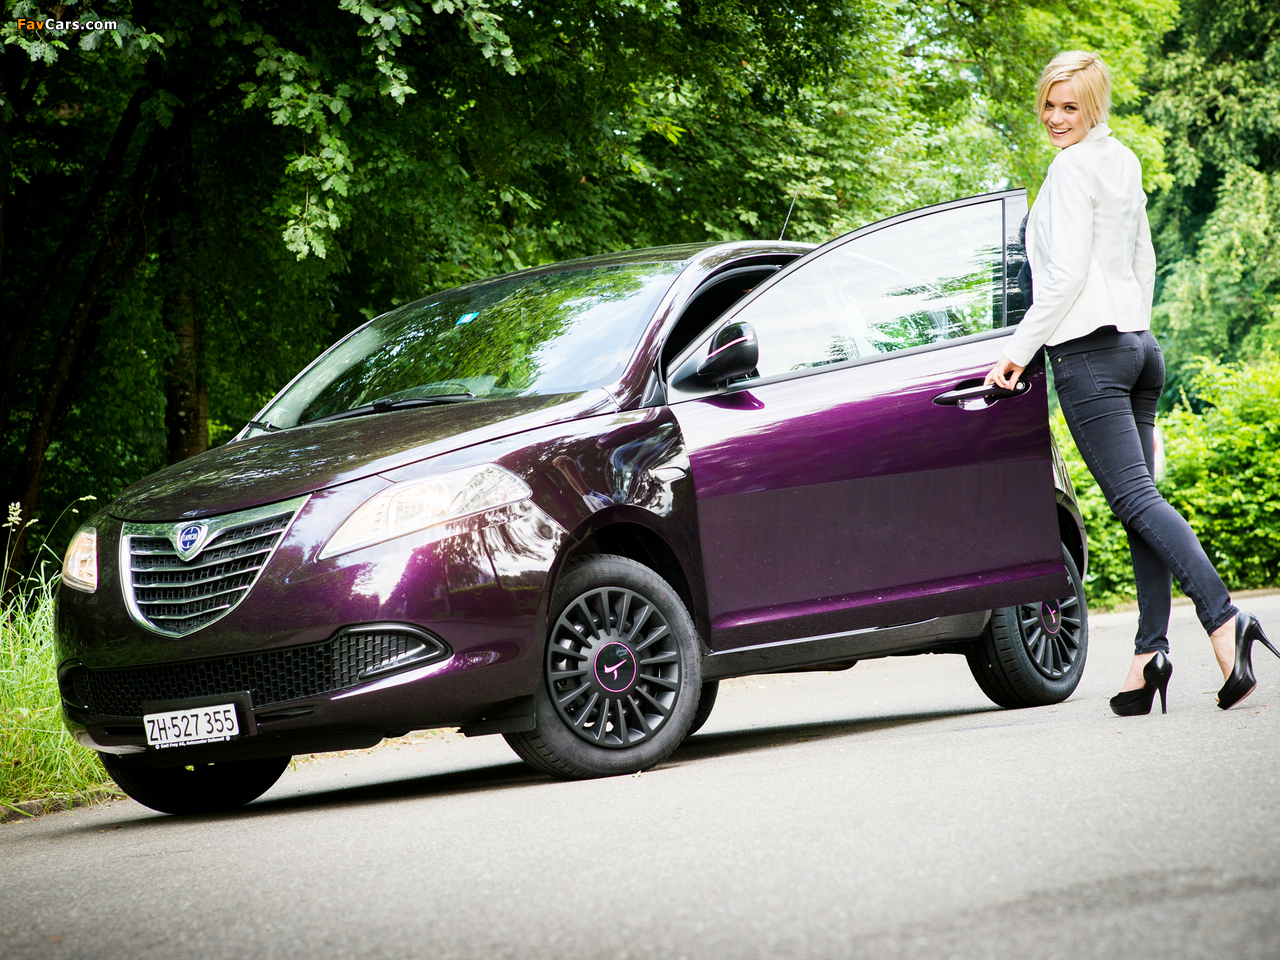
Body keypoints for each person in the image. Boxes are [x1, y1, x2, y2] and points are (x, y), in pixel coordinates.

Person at [984, 50, 1277, 715]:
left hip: (1089, 354)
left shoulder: (1068, 169)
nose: (1055, 118)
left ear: (1093, 108)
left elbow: (1063, 278)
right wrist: (1133, 329)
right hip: (1139, 347)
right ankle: (1148, 657)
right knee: (1140, 504)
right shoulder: (1121, 160)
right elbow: (1144, 258)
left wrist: (1016, 354)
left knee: (1136, 501)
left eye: (1070, 106)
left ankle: (1224, 618)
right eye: (1049, 104)